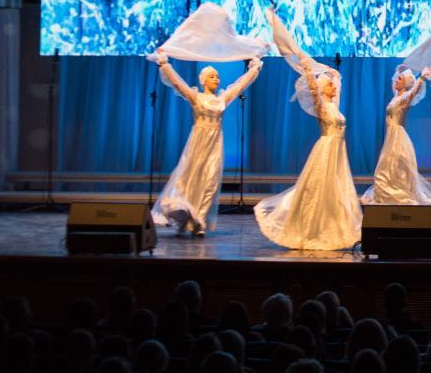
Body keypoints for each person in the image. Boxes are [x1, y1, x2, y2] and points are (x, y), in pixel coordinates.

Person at [255, 13, 363, 251]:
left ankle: (334, 226)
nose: (333, 86)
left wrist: (330, 73)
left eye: (333, 85)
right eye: (329, 84)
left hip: (338, 153)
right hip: (326, 150)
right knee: (319, 189)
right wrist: (306, 66)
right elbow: (315, 88)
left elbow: (338, 78)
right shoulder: (322, 105)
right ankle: (312, 228)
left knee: (336, 191)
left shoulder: (335, 105)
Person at [150, 53, 263, 235]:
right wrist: (165, 65)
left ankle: (200, 220)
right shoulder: (196, 97)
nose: (216, 79)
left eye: (217, 76)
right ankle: (186, 218)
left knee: (210, 181)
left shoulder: (222, 99)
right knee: (190, 180)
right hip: (198, 142)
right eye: (212, 76)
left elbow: (240, 85)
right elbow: (178, 83)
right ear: (203, 80)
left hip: (215, 143)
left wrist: (254, 69)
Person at [361, 65, 431, 211]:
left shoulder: (404, 99)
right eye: (397, 78)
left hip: (397, 137)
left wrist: (422, 78)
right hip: (391, 136)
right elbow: (395, 83)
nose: (396, 80)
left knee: (394, 166)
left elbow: (414, 91)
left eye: (399, 79)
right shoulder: (396, 97)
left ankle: (399, 195)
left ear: (405, 84)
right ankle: (387, 195)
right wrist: (398, 70)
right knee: (388, 167)